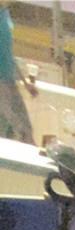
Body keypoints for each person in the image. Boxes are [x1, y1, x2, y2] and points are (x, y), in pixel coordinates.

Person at [0, 0, 36, 144]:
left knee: (23, 131)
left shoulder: (4, 14)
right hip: (2, 85)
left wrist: (25, 83)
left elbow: (8, 54)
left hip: (9, 82)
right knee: (21, 131)